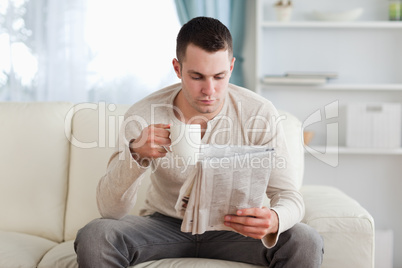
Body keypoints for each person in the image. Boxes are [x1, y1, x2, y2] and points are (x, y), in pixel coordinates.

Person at [74, 16, 323, 267]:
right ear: (177, 68)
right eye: (197, 77)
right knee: (96, 235)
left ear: (232, 67)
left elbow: (288, 194)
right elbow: (110, 210)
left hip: (235, 229)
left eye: (219, 76)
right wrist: (136, 155)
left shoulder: (259, 112)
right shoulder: (144, 114)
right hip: (164, 226)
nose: (209, 90)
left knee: (305, 239)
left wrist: (275, 219)